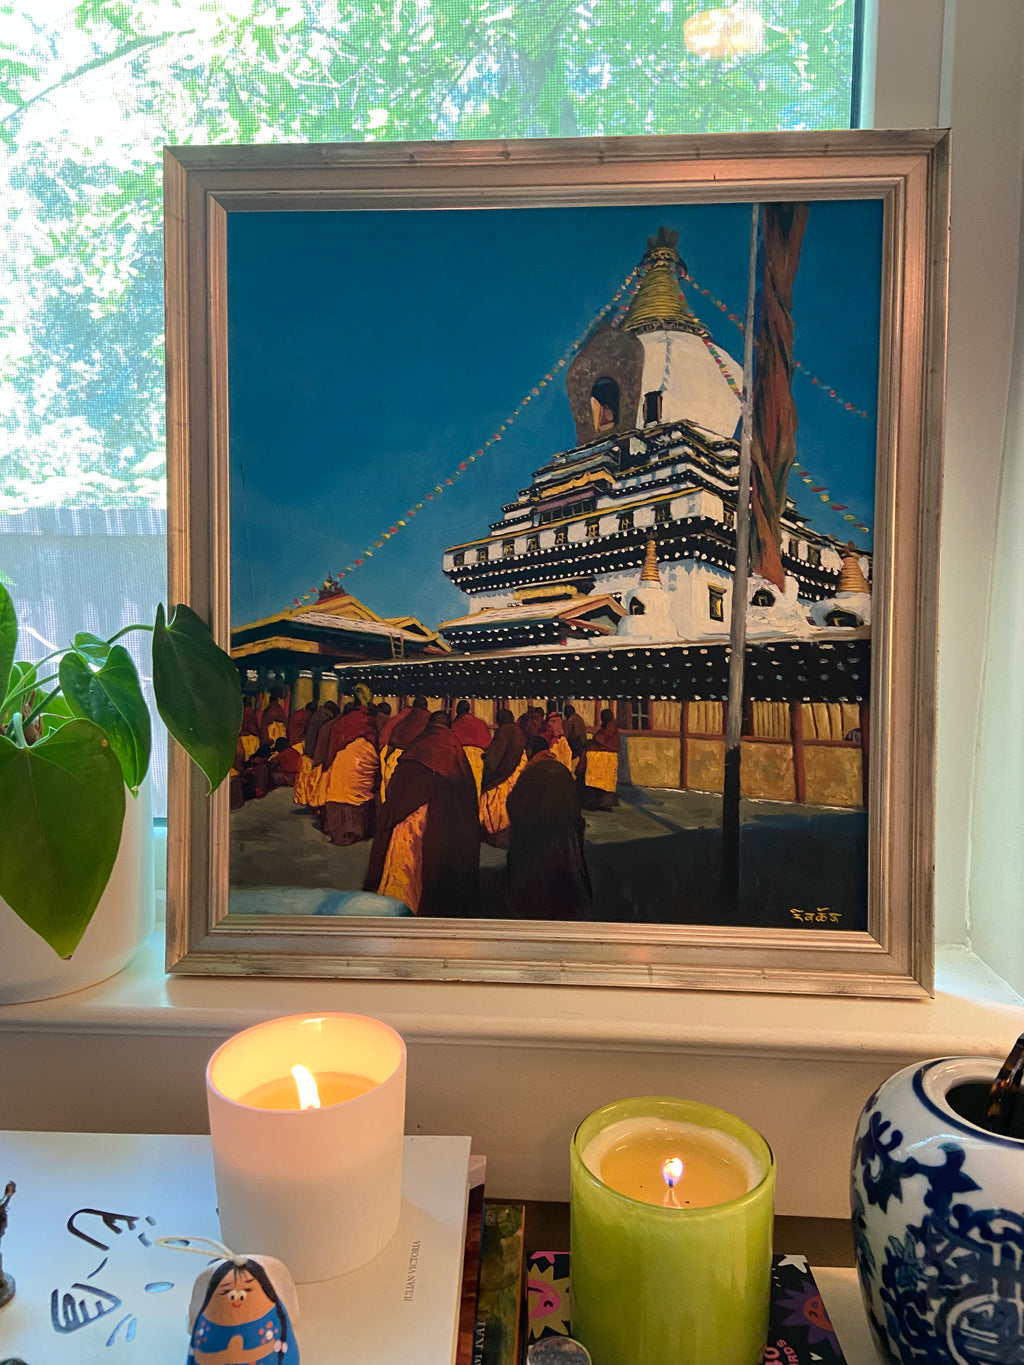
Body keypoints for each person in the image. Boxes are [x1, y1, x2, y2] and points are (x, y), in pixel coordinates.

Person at [364, 712, 480, 916]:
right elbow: (465, 794)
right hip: (440, 822)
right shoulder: (454, 749)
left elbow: (396, 787)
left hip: (405, 820)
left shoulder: (416, 745)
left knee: (404, 865)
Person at [507, 736, 592, 920]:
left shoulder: (530, 773)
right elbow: (575, 806)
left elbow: (515, 805)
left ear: (531, 751)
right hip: (565, 842)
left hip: (536, 841)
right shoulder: (562, 770)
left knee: (535, 891)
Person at [320, 701, 379, 845]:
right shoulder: (368, 721)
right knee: (358, 792)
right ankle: (356, 830)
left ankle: (337, 830)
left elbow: (333, 744)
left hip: (340, 759)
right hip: (361, 760)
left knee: (339, 790)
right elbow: (374, 742)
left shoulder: (341, 722)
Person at [479, 708, 527, 849]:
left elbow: (496, 756)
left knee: (497, 803)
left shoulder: (504, 732)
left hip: (505, 774)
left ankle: (498, 836)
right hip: (519, 769)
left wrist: (486, 764)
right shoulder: (518, 731)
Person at [379, 695, 430, 802]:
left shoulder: (402, 717)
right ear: (425, 706)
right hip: (415, 762)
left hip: (395, 757)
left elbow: (391, 738)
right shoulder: (428, 719)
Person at [293, 698, 337, 805]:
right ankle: (313, 799)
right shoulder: (326, 718)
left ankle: (306, 798)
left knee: (308, 778)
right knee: (315, 779)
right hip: (316, 750)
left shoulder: (317, 715)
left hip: (309, 749)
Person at [578, 708, 621, 810]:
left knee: (597, 782)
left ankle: (598, 803)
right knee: (599, 782)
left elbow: (603, 740)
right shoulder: (608, 727)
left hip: (603, 758)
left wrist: (592, 743)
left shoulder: (609, 728)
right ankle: (598, 803)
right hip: (602, 758)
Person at [451, 699, 492, 795]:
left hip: (461, 757)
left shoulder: (455, 725)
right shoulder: (480, 723)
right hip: (479, 758)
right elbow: (488, 742)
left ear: (457, 711)